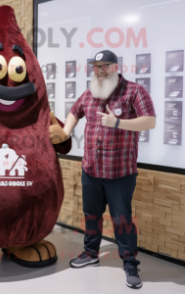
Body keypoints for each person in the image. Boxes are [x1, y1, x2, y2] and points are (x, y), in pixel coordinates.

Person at [49, 50, 156, 289]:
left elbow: (150, 121)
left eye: (104, 66)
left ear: (115, 68)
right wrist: (65, 132)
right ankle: (91, 253)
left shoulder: (133, 91)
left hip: (120, 174)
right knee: (91, 216)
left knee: (122, 220)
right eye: (96, 66)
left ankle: (130, 264)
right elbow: (74, 112)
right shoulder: (89, 94)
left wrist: (118, 122)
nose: (99, 70)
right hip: (91, 172)